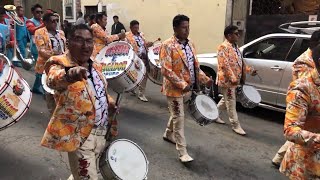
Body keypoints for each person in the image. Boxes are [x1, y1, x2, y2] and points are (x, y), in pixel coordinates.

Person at [40, 24, 118, 180]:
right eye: (79, 40)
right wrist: (70, 75)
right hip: (79, 135)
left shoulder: (95, 64)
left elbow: (99, 91)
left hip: (101, 131)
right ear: (68, 43)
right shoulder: (59, 62)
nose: (85, 46)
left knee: (87, 170)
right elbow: (53, 80)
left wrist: (109, 102)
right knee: (88, 176)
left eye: (89, 41)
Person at [160, 14, 212, 163]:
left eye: (188, 27)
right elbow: (166, 70)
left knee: (176, 115)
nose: (187, 30)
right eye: (184, 27)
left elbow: (195, 67)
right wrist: (183, 84)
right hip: (174, 89)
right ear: (175, 28)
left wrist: (205, 79)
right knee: (179, 118)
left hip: (188, 89)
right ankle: (182, 152)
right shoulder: (167, 45)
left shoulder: (191, 44)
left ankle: (168, 133)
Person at [271, 30, 320, 168]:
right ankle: (280, 158)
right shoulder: (304, 62)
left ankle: (279, 158)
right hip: (302, 105)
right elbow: (306, 85)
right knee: (297, 132)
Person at [215, 25, 257, 136]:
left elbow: (240, 63)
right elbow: (224, 65)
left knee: (226, 100)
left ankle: (214, 114)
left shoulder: (236, 47)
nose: (239, 35)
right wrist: (233, 78)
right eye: (236, 33)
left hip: (234, 81)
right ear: (229, 35)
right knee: (231, 102)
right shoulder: (222, 47)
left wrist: (249, 70)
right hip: (227, 81)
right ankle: (235, 125)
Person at [34, 12, 66, 112]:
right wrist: (55, 55)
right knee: (49, 94)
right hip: (46, 67)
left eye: (56, 21)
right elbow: (41, 50)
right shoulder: (39, 32)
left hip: (60, 66)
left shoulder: (60, 32)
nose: (55, 23)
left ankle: (59, 113)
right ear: (45, 22)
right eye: (52, 21)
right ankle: (53, 115)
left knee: (59, 92)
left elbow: (65, 47)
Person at [125, 20, 153, 102]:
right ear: (131, 28)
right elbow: (127, 47)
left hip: (144, 58)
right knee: (134, 75)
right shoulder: (127, 36)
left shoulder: (141, 35)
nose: (136, 29)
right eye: (135, 28)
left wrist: (148, 44)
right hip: (134, 59)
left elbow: (144, 44)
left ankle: (141, 93)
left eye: (137, 27)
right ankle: (132, 88)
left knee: (144, 76)